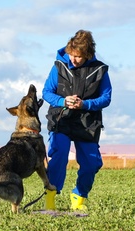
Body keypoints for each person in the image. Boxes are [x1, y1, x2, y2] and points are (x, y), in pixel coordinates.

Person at [42, 30, 112, 211]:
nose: (73, 59)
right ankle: (50, 199)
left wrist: (85, 104)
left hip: (88, 123)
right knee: (58, 157)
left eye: (79, 57)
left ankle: (79, 197)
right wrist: (62, 101)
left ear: (88, 54)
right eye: (72, 54)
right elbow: (47, 93)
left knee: (91, 163)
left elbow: (106, 98)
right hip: (61, 120)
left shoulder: (100, 70)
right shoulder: (58, 66)